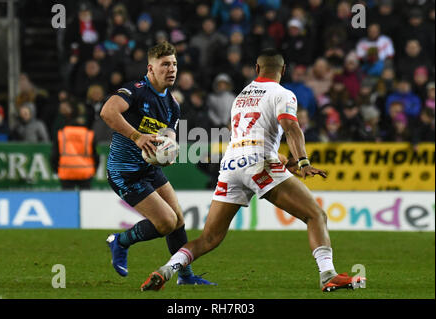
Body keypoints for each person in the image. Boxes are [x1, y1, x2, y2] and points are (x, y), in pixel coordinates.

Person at [141, 48, 365, 292]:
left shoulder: (241, 97)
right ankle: (327, 275)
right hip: (258, 162)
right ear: (283, 70)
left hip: (231, 164)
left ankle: (166, 269)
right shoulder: (283, 93)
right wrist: (302, 161)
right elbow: (291, 127)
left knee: (209, 238)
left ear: (257, 69)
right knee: (316, 215)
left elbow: (252, 137)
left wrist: (284, 161)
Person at [99, 41, 215, 285]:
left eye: (174, 64)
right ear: (150, 68)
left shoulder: (172, 105)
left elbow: (170, 134)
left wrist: (169, 151)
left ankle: (185, 276)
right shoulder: (136, 90)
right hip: (125, 173)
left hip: (149, 170)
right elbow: (108, 112)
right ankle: (119, 241)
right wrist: (137, 136)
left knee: (179, 221)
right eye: (165, 65)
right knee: (165, 222)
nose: (171, 69)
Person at [50, 117, 99, 190]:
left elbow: (54, 155)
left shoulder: (62, 134)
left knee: (67, 199)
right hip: (85, 172)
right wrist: (94, 170)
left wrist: (56, 170)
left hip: (66, 172)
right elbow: (95, 155)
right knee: (86, 199)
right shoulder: (89, 135)